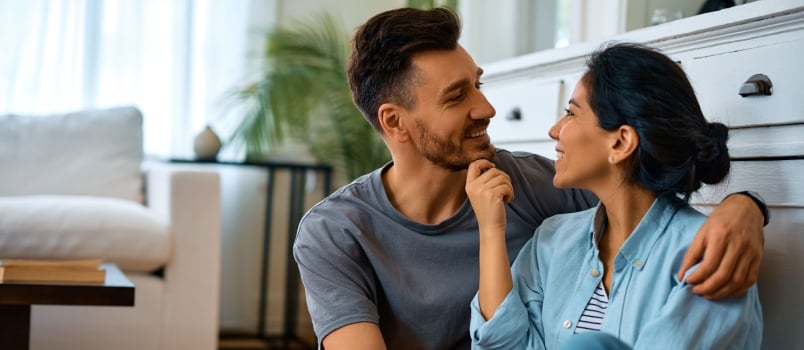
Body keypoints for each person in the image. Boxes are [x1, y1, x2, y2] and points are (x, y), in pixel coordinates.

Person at [293, 7, 767, 350]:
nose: (486, 108)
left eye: (479, 84)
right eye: (457, 96)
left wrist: (744, 208)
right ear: (395, 122)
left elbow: (651, 194)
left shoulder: (533, 185)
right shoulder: (334, 231)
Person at [466, 42, 762, 349]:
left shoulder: (710, 252)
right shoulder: (552, 240)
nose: (554, 130)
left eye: (571, 113)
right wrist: (491, 230)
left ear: (620, 143)